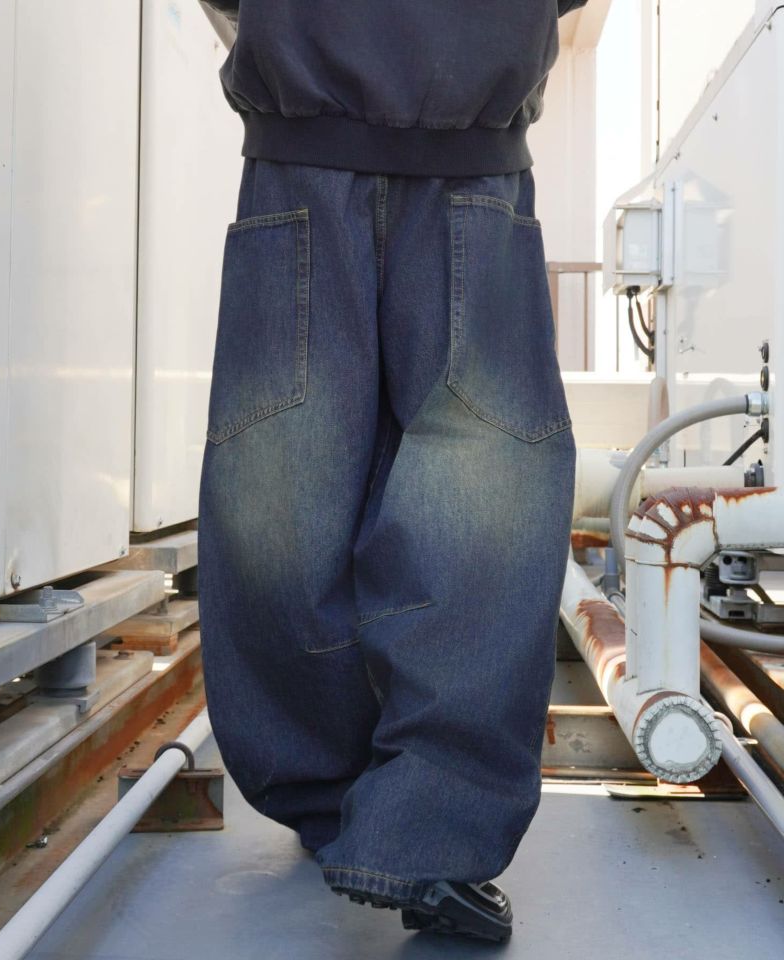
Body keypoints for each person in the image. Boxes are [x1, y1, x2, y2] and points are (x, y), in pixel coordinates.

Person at [198, 0, 586, 943]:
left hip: (307, 147)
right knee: (473, 494)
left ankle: (342, 802)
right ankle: (418, 828)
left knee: (284, 490)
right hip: (467, 145)